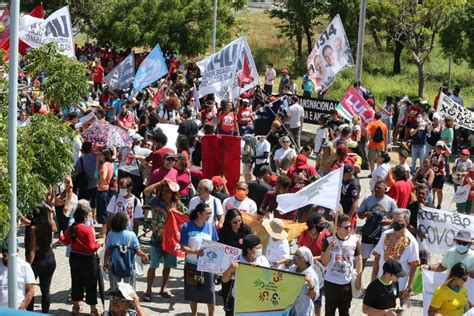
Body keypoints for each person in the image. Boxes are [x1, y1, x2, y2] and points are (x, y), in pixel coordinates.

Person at [144, 179, 186, 302]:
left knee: (167, 266)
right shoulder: (155, 202)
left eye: (167, 191)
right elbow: (146, 191)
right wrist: (160, 183)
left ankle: (163, 288)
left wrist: (176, 212)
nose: (164, 193)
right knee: (153, 266)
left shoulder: (177, 204)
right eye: (163, 191)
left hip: (171, 241)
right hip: (156, 240)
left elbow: (186, 216)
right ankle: (148, 290)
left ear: (173, 194)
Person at [60, 203, 102, 315]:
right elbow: (91, 248)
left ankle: (75, 306)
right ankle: (93, 309)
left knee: (76, 281)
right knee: (91, 283)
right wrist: (100, 243)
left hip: (74, 258)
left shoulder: (71, 228)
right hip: (88, 260)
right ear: (84, 217)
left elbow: (66, 241)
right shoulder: (87, 230)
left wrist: (61, 235)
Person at [179, 203, 219, 316]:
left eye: (211, 213)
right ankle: (194, 314)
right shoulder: (187, 227)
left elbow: (215, 245)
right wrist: (195, 252)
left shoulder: (211, 227)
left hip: (207, 265)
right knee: (193, 292)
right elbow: (182, 247)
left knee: (210, 292)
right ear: (199, 214)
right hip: (192, 264)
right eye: (208, 213)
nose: (210, 215)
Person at [372, 208, 419, 302]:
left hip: (398, 289)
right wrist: (373, 279)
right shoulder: (385, 235)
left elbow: (413, 267)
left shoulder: (412, 242)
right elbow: (377, 257)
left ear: (406, 222)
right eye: (394, 220)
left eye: (399, 221)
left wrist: (409, 288)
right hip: (380, 284)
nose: (395, 223)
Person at [321, 213, 362, 316]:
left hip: (346, 282)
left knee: (345, 311)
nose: (349, 229)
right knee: (329, 311)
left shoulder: (354, 240)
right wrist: (330, 247)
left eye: (350, 226)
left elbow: (359, 259)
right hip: (331, 282)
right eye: (346, 227)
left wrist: (359, 278)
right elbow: (324, 262)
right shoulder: (328, 240)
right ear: (337, 227)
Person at [222, 234, 270, 315]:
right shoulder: (236, 259)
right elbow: (224, 279)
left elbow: (268, 279)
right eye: (257, 248)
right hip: (238, 301)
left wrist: (260, 270)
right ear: (249, 250)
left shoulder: (263, 260)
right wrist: (231, 268)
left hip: (256, 302)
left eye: (260, 246)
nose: (260, 249)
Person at [104, 212, 149, 291]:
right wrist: (145, 255)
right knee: (130, 290)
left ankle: (115, 303)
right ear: (125, 222)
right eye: (128, 220)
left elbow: (107, 252)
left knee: (114, 290)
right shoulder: (131, 235)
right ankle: (129, 303)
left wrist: (105, 264)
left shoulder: (110, 234)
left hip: (114, 266)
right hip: (129, 266)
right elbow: (138, 251)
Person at [26, 201, 57, 313]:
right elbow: (55, 229)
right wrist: (50, 213)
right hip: (50, 258)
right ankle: (45, 313)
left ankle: (29, 313)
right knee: (46, 291)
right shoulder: (51, 225)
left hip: (38, 260)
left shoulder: (34, 228)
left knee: (30, 289)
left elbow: (32, 250)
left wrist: (28, 265)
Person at [358, 180, 397, 269]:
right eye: (375, 187)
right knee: (363, 258)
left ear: (385, 189)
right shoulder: (368, 199)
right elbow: (359, 214)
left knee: (380, 259)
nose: (376, 189)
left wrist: (389, 222)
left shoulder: (391, 202)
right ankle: (359, 279)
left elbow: (397, 219)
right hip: (368, 233)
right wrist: (365, 215)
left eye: (379, 188)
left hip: (383, 235)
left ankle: (376, 279)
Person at [297, 213, 330, 316]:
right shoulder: (304, 233)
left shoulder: (325, 235)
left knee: (317, 298)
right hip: (304, 268)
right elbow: (299, 249)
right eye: (322, 223)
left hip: (319, 269)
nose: (324, 225)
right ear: (314, 224)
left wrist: (312, 259)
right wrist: (307, 260)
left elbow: (327, 254)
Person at [0, 240, 35, 310]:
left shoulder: (24, 266)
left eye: (9, 251)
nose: (6, 255)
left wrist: (23, 306)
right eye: (5, 251)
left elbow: (31, 290)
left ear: (17, 251)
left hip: (17, 310)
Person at [289, 247, 320, 316]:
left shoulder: (312, 275)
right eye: (294, 255)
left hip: (303, 310)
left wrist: (310, 284)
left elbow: (314, 297)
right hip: (290, 309)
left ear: (305, 259)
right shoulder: (292, 269)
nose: (294, 257)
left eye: (298, 256)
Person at [407, 184, 430, 264]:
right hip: (413, 240)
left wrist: (422, 208)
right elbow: (407, 224)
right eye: (419, 193)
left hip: (425, 243)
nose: (420, 195)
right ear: (415, 193)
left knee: (423, 264)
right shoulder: (410, 207)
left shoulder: (431, 208)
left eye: (423, 194)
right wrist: (417, 232)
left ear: (427, 194)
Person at [96, 148, 115, 237]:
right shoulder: (111, 164)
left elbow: (103, 177)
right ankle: (104, 230)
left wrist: (101, 184)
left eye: (100, 155)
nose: (99, 156)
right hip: (108, 189)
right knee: (106, 209)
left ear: (104, 156)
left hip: (103, 189)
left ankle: (103, 232)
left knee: (103, 210)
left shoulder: (104, 165)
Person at [430, 140, 451, 209]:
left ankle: (439, 204)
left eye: (440, 147)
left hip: (441, 174)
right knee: (433, 189)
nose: (439, 148)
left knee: (439, 190)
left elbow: (449, 152)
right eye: (438, 147)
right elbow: (428, 160)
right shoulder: (431, 152)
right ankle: (432, 201)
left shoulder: (444, 154)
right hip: (433, 173)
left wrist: (444, 144)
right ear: (435, 147)